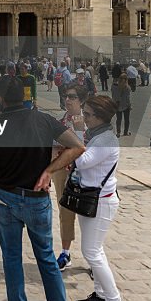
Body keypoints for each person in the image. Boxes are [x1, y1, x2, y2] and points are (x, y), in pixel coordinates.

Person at [0, 72, 84, 301]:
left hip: (7, 197)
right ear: (24, 96)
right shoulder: (43, 119)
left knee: (12, 260)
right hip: (37, 200)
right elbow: (77, 147)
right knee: (46, 258)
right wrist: (48, 171)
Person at [73, 95, 127, 301]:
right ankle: (100, 296)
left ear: (100, 117)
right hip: (90, 197)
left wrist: (74, 134)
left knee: (91, 251)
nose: (84, 118)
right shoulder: (96, 136)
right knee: (95, 250)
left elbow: (82, 161)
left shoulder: (106, 140)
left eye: (88, 114)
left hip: (101, 201)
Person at [53, 86, 87, 271]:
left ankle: (93, 255)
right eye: (66, 96)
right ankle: (66, 252)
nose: (67, 100)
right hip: (62, 171)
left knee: (88, 212)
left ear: (81, 100)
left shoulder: (90, 120)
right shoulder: (60, 120)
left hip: (85, 172)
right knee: (64, 210)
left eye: (72, 97)